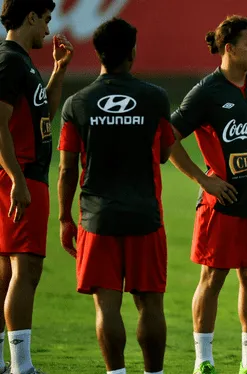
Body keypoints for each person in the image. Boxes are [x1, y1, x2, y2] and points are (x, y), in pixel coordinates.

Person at [56, 18, 174, 374]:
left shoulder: (77, 103)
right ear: (133, 53)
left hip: (97, 217)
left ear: (97, 54)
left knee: (106, 307)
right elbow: (166, 153)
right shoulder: (155, 97)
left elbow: (66, 169)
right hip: (145, 216)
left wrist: (64, 217)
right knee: (150, 305)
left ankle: (116, 373)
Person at [170, 15, 247, 374]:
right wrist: (203, 181)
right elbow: (169, 136)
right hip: (222, 204)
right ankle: (203, 360)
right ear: (229, 48)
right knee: (213, 278)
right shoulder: (208, 91)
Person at [0, 0, 73, 372]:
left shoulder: (21, 61)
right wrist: (16, 178)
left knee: (6, 271)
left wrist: (59, 71)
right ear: (30, 17)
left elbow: (44, 116)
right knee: (25, 270)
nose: (48, 28)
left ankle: (4, 361)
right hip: (22, 174)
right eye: (45, 20)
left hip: (21, 173)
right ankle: (22, 365)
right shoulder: (10, 61)